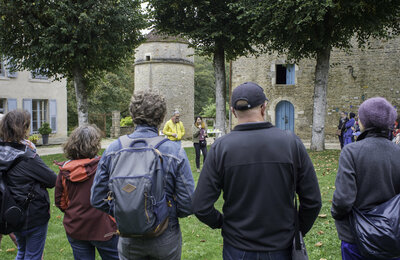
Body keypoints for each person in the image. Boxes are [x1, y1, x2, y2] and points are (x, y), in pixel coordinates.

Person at [192, 82, 322, 259]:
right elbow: (312, 201)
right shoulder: (291, 143)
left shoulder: (220, 148)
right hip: (281, 246)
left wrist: (223, 223)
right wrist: (296, 230)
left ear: (233, 111)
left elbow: (201, 206)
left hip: (238, 247)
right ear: (264, 107)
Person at [91, 91, 195, 260]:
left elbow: (97, 198)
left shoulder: (113, 150)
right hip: (165, 233)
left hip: (128, 236)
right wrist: (167, 212)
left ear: (132, 114)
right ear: (161, 117)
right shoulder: (174, 150)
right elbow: (188, 203)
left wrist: (126, 210)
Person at [331, 97, 400, 259]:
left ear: (362, 121)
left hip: (356, 236)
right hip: (393, 234)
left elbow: (342, 200)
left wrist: (337, 214)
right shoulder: (398, 152)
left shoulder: (351, 152)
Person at [54, 125, 119, 260]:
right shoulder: (105, 166)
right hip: (104, 227)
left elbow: (60, 202)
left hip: (77, 226)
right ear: (95, 144)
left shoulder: (65, 170)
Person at [0, 109, 57, 260]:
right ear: (22, 128)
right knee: (32, 255)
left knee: (22, 251)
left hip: (10, 211)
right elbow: (52, 179)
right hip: (31, 214)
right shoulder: (27, 156)